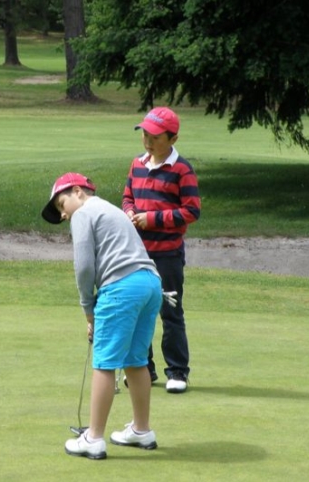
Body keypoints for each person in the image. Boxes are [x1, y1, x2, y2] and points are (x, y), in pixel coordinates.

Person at [41, 172, 163, 460]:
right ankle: (142, 430)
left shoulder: (84, 213)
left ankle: (93, 438)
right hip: (150, 284)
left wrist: (88, 311)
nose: (63, 215)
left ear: (77, 191)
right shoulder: (112, 209)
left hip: (121, 288)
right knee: (136, 360)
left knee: (105, 363)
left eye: (62, 204)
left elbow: (84, 267)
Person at [123, 107, 201, 394]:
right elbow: (128, 196)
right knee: (139, 312)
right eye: (145, 133)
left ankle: (177, 371)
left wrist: (152, 219)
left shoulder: (182, 169)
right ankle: (144, 368)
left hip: (167, 254)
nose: (148, 140)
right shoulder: (137, 164)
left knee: (170, 312)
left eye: (155, 136)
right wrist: (131, 212)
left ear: (173, 137)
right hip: (138, 255)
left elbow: (191, 211)